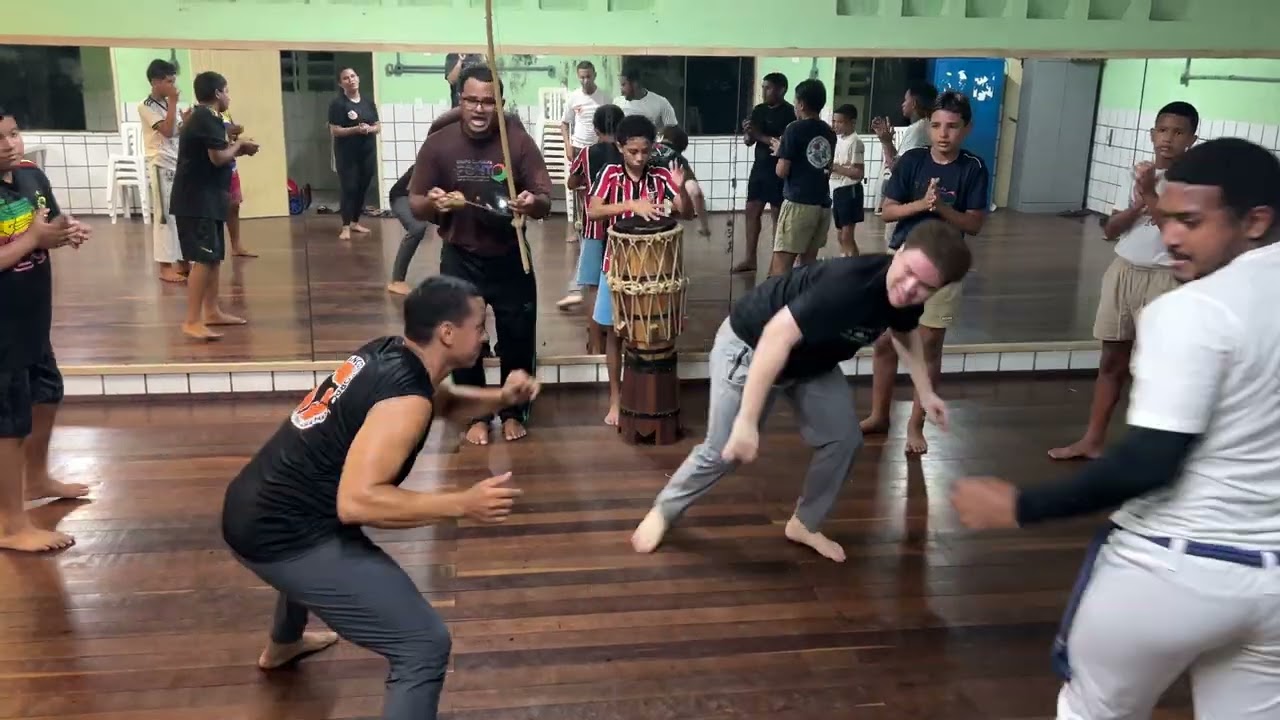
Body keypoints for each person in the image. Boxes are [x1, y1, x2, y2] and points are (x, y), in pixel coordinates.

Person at [950, 137, 1280, 720]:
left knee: (1093, 711)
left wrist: (1022, 505)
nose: (1170, 236)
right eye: (1166, 218)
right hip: (1273, 587)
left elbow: (1151, 461)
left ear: (1255, 221)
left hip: (1173, 570)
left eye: (1190, 221)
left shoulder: (1193, 311)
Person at [221, 275, 539, 720]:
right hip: (277, 532)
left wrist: (500, 396)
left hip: (254, 500)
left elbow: (445, 402)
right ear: (447, 333)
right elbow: (358, 503)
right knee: (422, 643)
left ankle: (284, 644)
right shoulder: (405, 400)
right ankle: (287, 639)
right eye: (480, 326)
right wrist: (461, 503)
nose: (486, 335)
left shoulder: (391, 352)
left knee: (315, 520)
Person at [632, 219, 972, 562]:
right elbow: (776, 337)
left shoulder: (908, 299)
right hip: (751, 346)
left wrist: (925, 392)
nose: (910, 288)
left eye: (925, 286)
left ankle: (804, 522)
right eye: (909, 271)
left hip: (810, 361)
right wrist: (747, 422)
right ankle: (664, 510)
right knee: (725, 450)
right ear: (897, 252)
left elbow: (905, 332)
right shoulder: (846, 286)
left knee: (844, 440)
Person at [407, 65, 552, 446]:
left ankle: (512, 411)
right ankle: (476, 414)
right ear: (460, 100)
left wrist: (530, 201)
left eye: (488, 101)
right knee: (461, 342)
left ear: (500, 104)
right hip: (460, 256)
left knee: (518, 337)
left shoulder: (516, 142)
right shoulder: (439, 144)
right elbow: (415, 204)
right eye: (471, 99)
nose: (479, 108)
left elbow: (544, 199)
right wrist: (434, 203)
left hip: (510, 255)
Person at [1048, 101, 1199, 461]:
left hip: (1167, 278)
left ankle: (1152, 452)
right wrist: (1136, 204)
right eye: (1163, 130)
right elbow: (1109, 229)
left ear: (1192, 139)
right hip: (1124, 270)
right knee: (1111, 362)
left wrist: (1149, 193)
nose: (1168, 138)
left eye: (1178, 132)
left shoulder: (1193, 183)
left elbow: (1177, 236)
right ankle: (1093, 439)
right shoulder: (1135, 174)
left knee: (1158, 368)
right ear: (1151, 134)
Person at [860, 90, 988, 455]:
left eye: (951, 126)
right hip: (900, 258)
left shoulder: (973, 167)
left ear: (966, 129)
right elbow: (887, 211)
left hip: (943, 265)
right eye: (936, 126)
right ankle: (878, 415)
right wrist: (921, 204)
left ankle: (916, 426)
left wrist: (942, 207)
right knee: (885, 340)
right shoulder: (913, 160)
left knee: (928, 347)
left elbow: (975, 224)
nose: (943, 133)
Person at [0, 106, 92, 552]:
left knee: (46, 392)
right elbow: (30, 238)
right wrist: (34, 240)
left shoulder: (31, 175)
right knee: (8, 422)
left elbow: (48, 221)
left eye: (13, 134)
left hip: (32, 314)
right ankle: (9, 525)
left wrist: (65, 231)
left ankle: (35, 478)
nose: (9, 144)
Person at [586, 114, 692, 426]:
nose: (639, 157)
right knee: (614, 335)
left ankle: (650, 396)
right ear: (620, 147)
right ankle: (616, 398)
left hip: (654, 275)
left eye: (645, 151)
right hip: (615, 268)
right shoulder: (610, 173)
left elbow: (686, 212)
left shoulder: (660, 176)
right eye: (633, 151)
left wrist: (679, 189)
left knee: (651, 335)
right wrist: (633, 205)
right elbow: (593, 210)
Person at [169, 71, 260, 341]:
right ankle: (192, 320)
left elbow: (217, 152)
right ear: (218, 93)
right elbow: (219, 158)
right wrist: (241, 145)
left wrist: (236, 144)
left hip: (208, 198)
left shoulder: (209, 119)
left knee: (214, 257)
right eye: (227, 90)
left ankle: (211, 311)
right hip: (195, 200)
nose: (229, 95)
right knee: (204, 259)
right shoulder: (206, 118)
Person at [556, 104, 625, 347]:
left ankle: (595, 343)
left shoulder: (586, 154)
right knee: (622, 284)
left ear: (595, 129)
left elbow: (571, 182)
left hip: (594, 228)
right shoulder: (627, 153)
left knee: (593, 287)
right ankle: (620, 340)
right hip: (623, 229)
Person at [769, 78, 837, 277]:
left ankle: (777, 305)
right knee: (807, 265)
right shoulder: (829, 132)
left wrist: (780, 153)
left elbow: (782, 171)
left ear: (800, 104)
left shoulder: (793, 129)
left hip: (798, 202)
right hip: (822, 204)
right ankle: (801, 305)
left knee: (781, 264)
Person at [737, 72, 795, 274]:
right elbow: (749, 141)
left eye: (768, 87)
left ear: (782, 89)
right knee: (752, 211)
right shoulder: (759, 110)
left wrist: (758, 135)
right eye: (762, 87)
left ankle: (777, 263)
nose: (763, 91)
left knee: (778, 216)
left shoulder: (790, 113)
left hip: (779, 170)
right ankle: (750, 258)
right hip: (760, 168)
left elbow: (781, 143)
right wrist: (747, 133)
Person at [137, 58, 189, 283]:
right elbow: (167, 131)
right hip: (160, 163)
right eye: (169, 81)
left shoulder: (168, 104)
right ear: (156, 82)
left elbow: (176, 130)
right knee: (164, 215)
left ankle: (181, 259)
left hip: (176, 161)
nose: (173, 86)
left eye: (174, 81)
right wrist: (175, 103)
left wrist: (185, 121)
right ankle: (164, 266)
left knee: (180, 213)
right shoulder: (145, 106)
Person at [870, 82, 937, 248]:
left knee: (896, 252)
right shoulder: (926, 127)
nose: (902, 103)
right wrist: (886, 140)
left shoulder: (918, 129)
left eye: (905, 99)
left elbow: (897, 168)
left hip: (905, 204)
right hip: (916, 204)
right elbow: (904, 163)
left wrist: (886, 143)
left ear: (914, 103)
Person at [560, 60, 611, 248]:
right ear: (577, 76)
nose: (585, 80)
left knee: (598, 188)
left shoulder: (604, 97)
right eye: (581, 77)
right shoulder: (574, 97)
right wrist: (567, 145)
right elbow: (564, 124)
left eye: (588, 76)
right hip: (578, 148)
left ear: (595, 75)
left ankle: (599, 226)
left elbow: (611, 122)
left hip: (597, 148)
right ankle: (576, 228)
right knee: (576, 189)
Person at [329, 67, 381, 241]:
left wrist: (369, 128)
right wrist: (355, 129)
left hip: (367, 152)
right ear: (340, 83)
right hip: (347, 154)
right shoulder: (338, 104)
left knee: (362, 187)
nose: (350, 80)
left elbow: (378, 126)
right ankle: (345, 226)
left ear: (358, 78)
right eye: (345, 78)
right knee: (349, 188)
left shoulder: (368, 103)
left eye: (352, 76)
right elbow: (335, 131)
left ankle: (355, 222)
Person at [385, 166, 431, 296]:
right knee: (417, 228)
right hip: (404, 196)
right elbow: (416, 190)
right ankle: (397, 281)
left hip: (432, 197)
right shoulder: (433, 154)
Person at [830, 103, 866, 256]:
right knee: (840, 235)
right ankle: (850, 261)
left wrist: (835, 167)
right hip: (838, 191)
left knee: (847, 235)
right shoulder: (838, 140)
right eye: (834, 121)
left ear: (852, 122)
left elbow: (858, 172)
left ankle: (852, 267)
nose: (836, 125)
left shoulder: (855, 142)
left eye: (840, 122)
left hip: (850, 191)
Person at [617, 66, 678, 131]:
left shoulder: (661, 103)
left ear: (635, 84)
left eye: (623, 85)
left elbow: (672, 130)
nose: (621, 89)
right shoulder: (617, 103)